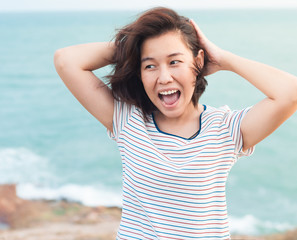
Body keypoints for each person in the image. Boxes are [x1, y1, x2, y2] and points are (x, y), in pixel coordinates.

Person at [54, 7, 297, 239]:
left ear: (198, 62)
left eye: (174, 62)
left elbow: (291, 93)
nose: (164, 77)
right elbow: (66, 60)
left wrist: (224, 59)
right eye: (150, 65)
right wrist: (132, 46)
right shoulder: (127, 120)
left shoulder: (225, 129)